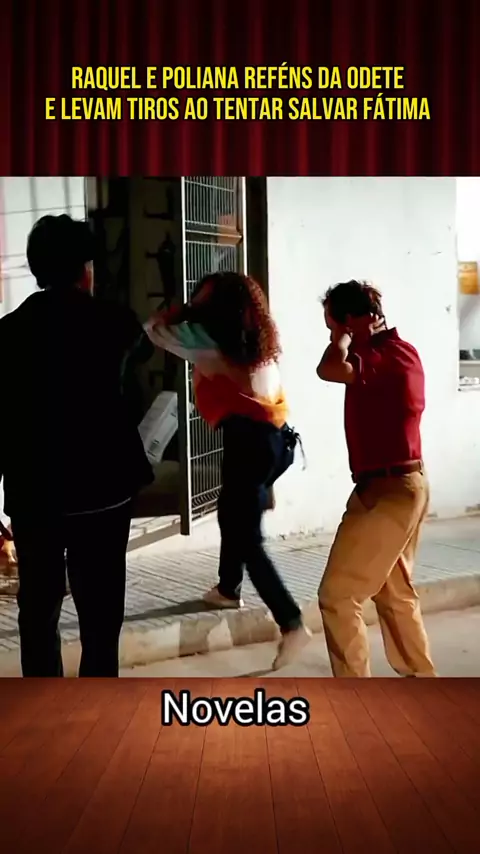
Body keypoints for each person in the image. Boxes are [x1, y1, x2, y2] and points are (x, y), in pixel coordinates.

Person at [0, 214, 154, 677]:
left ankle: (43, 706)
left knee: (38, 609)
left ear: (36, 269)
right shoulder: (116, 322)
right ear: (85, 270)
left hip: (35, 496)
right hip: (104, 493)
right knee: (101, 615)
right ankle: (97, 708)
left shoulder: (7, 332)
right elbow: (138, 387)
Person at [145, 271, 311, 669]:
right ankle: (227, 588)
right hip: (275, 441)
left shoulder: (208, 342)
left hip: (249, 443)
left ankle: (291, 623)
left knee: (246, 538)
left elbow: (153, 330)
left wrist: (184, 309)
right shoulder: (258, 345)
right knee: (231, 511)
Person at [316, 280, 436, 678]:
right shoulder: (389, 352)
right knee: (394, 593)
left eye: (333, 325)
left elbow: (328, 369)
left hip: (392, 492)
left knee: (338, 595)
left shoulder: (386, 356)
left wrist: (342, 340)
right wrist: (349, 337)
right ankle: (424, 684)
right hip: (386, 486)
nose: (331, 335)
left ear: (352, 320)